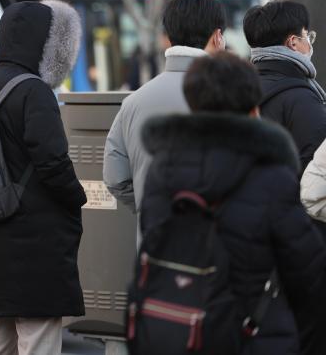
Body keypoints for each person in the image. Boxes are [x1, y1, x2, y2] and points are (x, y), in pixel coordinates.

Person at [140, 52, 326, 355]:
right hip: (254, 332)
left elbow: (153, 239)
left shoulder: (162, 171)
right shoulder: (272, 176)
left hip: (180, 325)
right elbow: (305, 269)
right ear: (253, 108)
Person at [0, 0, 87, 355]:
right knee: (38, 334)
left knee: (0, 332)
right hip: (35, 239)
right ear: (44, 41)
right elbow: (52, 161)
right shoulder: (35, 91)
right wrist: (77, 196)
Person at [103, 0, 227, 213]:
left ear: (169, 36)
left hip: (153, 242)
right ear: (218, 38)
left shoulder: (133, 103)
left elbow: (115, 179)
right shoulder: (230, 98)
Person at [243, 0, 326, 173]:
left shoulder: (240, 88)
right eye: (307, 36)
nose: (310, 44)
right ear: (293, 42)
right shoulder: (302, 98)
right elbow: (315, 164)